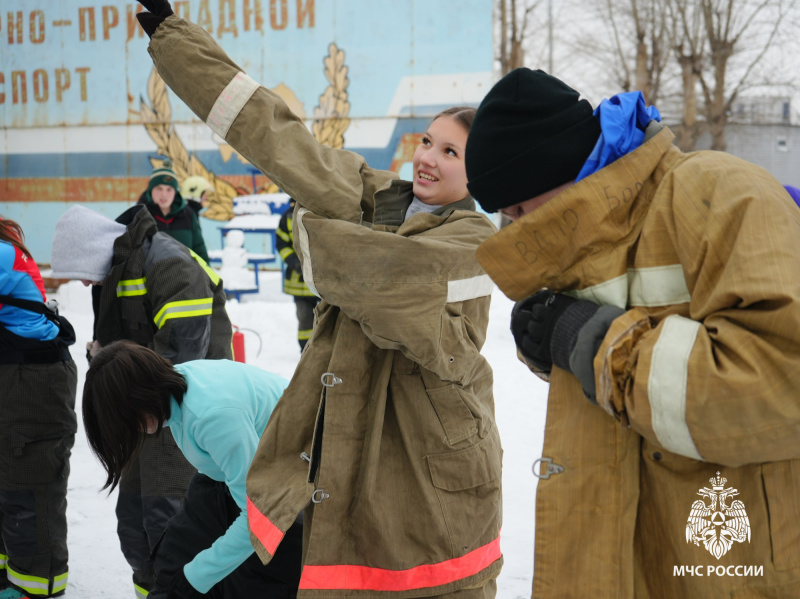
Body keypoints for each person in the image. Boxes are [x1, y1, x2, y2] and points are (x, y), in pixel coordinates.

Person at [135, 2, 503, 597]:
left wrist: (309, 228)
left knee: (431, 583)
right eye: (428, 141)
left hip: (428, 454)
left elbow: (383, 284)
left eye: (451, 153)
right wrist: (176, 41)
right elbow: (278, 134)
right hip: (353, 437)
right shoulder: (377, 200)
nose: (428, 159)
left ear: (478, 173)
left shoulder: (472, 238)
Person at [464, 67, 800, 597]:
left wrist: (592, 343)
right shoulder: (594, 235)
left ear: (556, 170)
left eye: (520, 209)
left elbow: (781, 381)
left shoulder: (723, 193)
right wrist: (555, 348)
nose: (518, 227)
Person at [50, 204, 233, 597]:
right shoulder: (115, 272)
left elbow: (184, 352)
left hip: (182, 407)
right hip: (139, 406)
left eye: (82, 273)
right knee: (134, 523)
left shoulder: (168, 263)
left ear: (92, 251)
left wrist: (117, 374)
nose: (83, 285)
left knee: (170, 517)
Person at [82, 341, 302, 598]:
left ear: (139, 396)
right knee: (176, 558)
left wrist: (195, 578)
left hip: (292, 480)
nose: (133, 430)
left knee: (247, 579)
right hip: (238, 477)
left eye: (126, 420)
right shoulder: (175, 392)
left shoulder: (212, 416)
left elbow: (260, 519)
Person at [0, 217, 78, 599]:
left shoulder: (1, 254)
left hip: (33, 381)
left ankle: (36, 587)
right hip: (15, 374)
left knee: (29, 487)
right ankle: (8, 575)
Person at [139, 160, 210, 263]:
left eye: (169, 189)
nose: (164, 195)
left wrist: (207, 278)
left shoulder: (189, 215)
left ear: (175, 192)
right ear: (150, 190)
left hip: (185, 278)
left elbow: (200, 252)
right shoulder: (139, 216)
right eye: (159, 188)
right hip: (150, 278)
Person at [276, 198, 319, 351]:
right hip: (298, 282)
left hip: (320, 282)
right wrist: (295, 263)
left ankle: (321, 350)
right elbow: (281, 244)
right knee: (305, 318)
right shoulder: (287, 218)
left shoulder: (319, 215)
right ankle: (306, 351)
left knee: (325, 318)